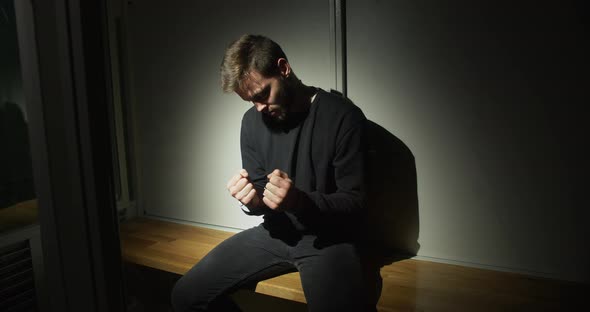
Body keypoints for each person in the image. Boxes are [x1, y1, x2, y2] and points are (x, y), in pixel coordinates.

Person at [171, 34, 373, 311]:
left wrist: (300, 202)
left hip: (330, 240)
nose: (259, 109)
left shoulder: (342, 116)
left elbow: (356, 202)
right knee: (185, 297)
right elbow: (259, 193)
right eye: (250, 101)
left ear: (283, 68)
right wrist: (251, 203)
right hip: (274, 233)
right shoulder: (252, 122)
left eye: (263, 95)